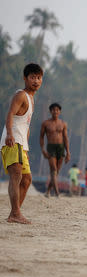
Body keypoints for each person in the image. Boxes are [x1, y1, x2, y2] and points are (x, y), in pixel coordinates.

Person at [1, 63, 43, 224]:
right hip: (13, 140)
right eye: (32, 77)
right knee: (17, 175)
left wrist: (25, 147)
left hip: (21, 143)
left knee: (26, 180)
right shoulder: (20, 95)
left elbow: (25, 124)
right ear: (25, 78)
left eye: (39, 78)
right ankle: (15, 213)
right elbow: (10, 114)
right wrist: (10, 135)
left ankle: (14, 213)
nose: (36, 81)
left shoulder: (31, 98)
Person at [40, 103, 70, 198]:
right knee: (53, 170)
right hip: (51, 147)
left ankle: (48, 191)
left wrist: (68, 152)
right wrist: (43, 150)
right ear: (50, 111)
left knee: (56, 171)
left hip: (60, 148)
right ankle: (57, 193)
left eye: (57, 110)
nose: (55, 111)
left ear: (59, 112)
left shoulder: (63, 123)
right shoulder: (46, 123)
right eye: (53, 110)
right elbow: (41, 137)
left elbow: (65, 138)